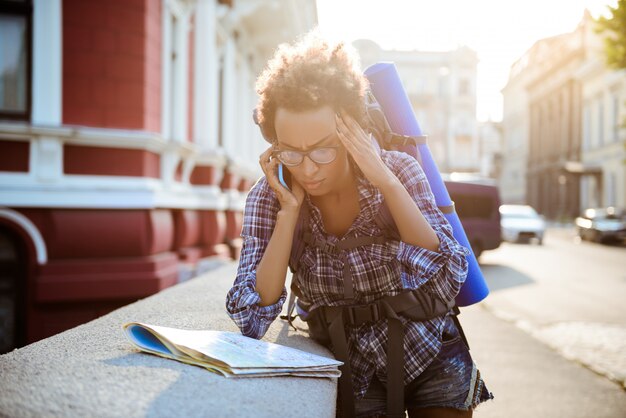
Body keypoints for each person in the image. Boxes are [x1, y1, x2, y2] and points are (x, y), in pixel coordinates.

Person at [226, 31, 493, 418]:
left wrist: (385, 180)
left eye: (323, 149)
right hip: (352, 366)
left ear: (349, 132)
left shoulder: (399, 168)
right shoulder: (269, 194)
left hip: (431, 349)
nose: (308, 168)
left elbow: (448, 272)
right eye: (291, 152)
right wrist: (288, 214)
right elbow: (251, 317)